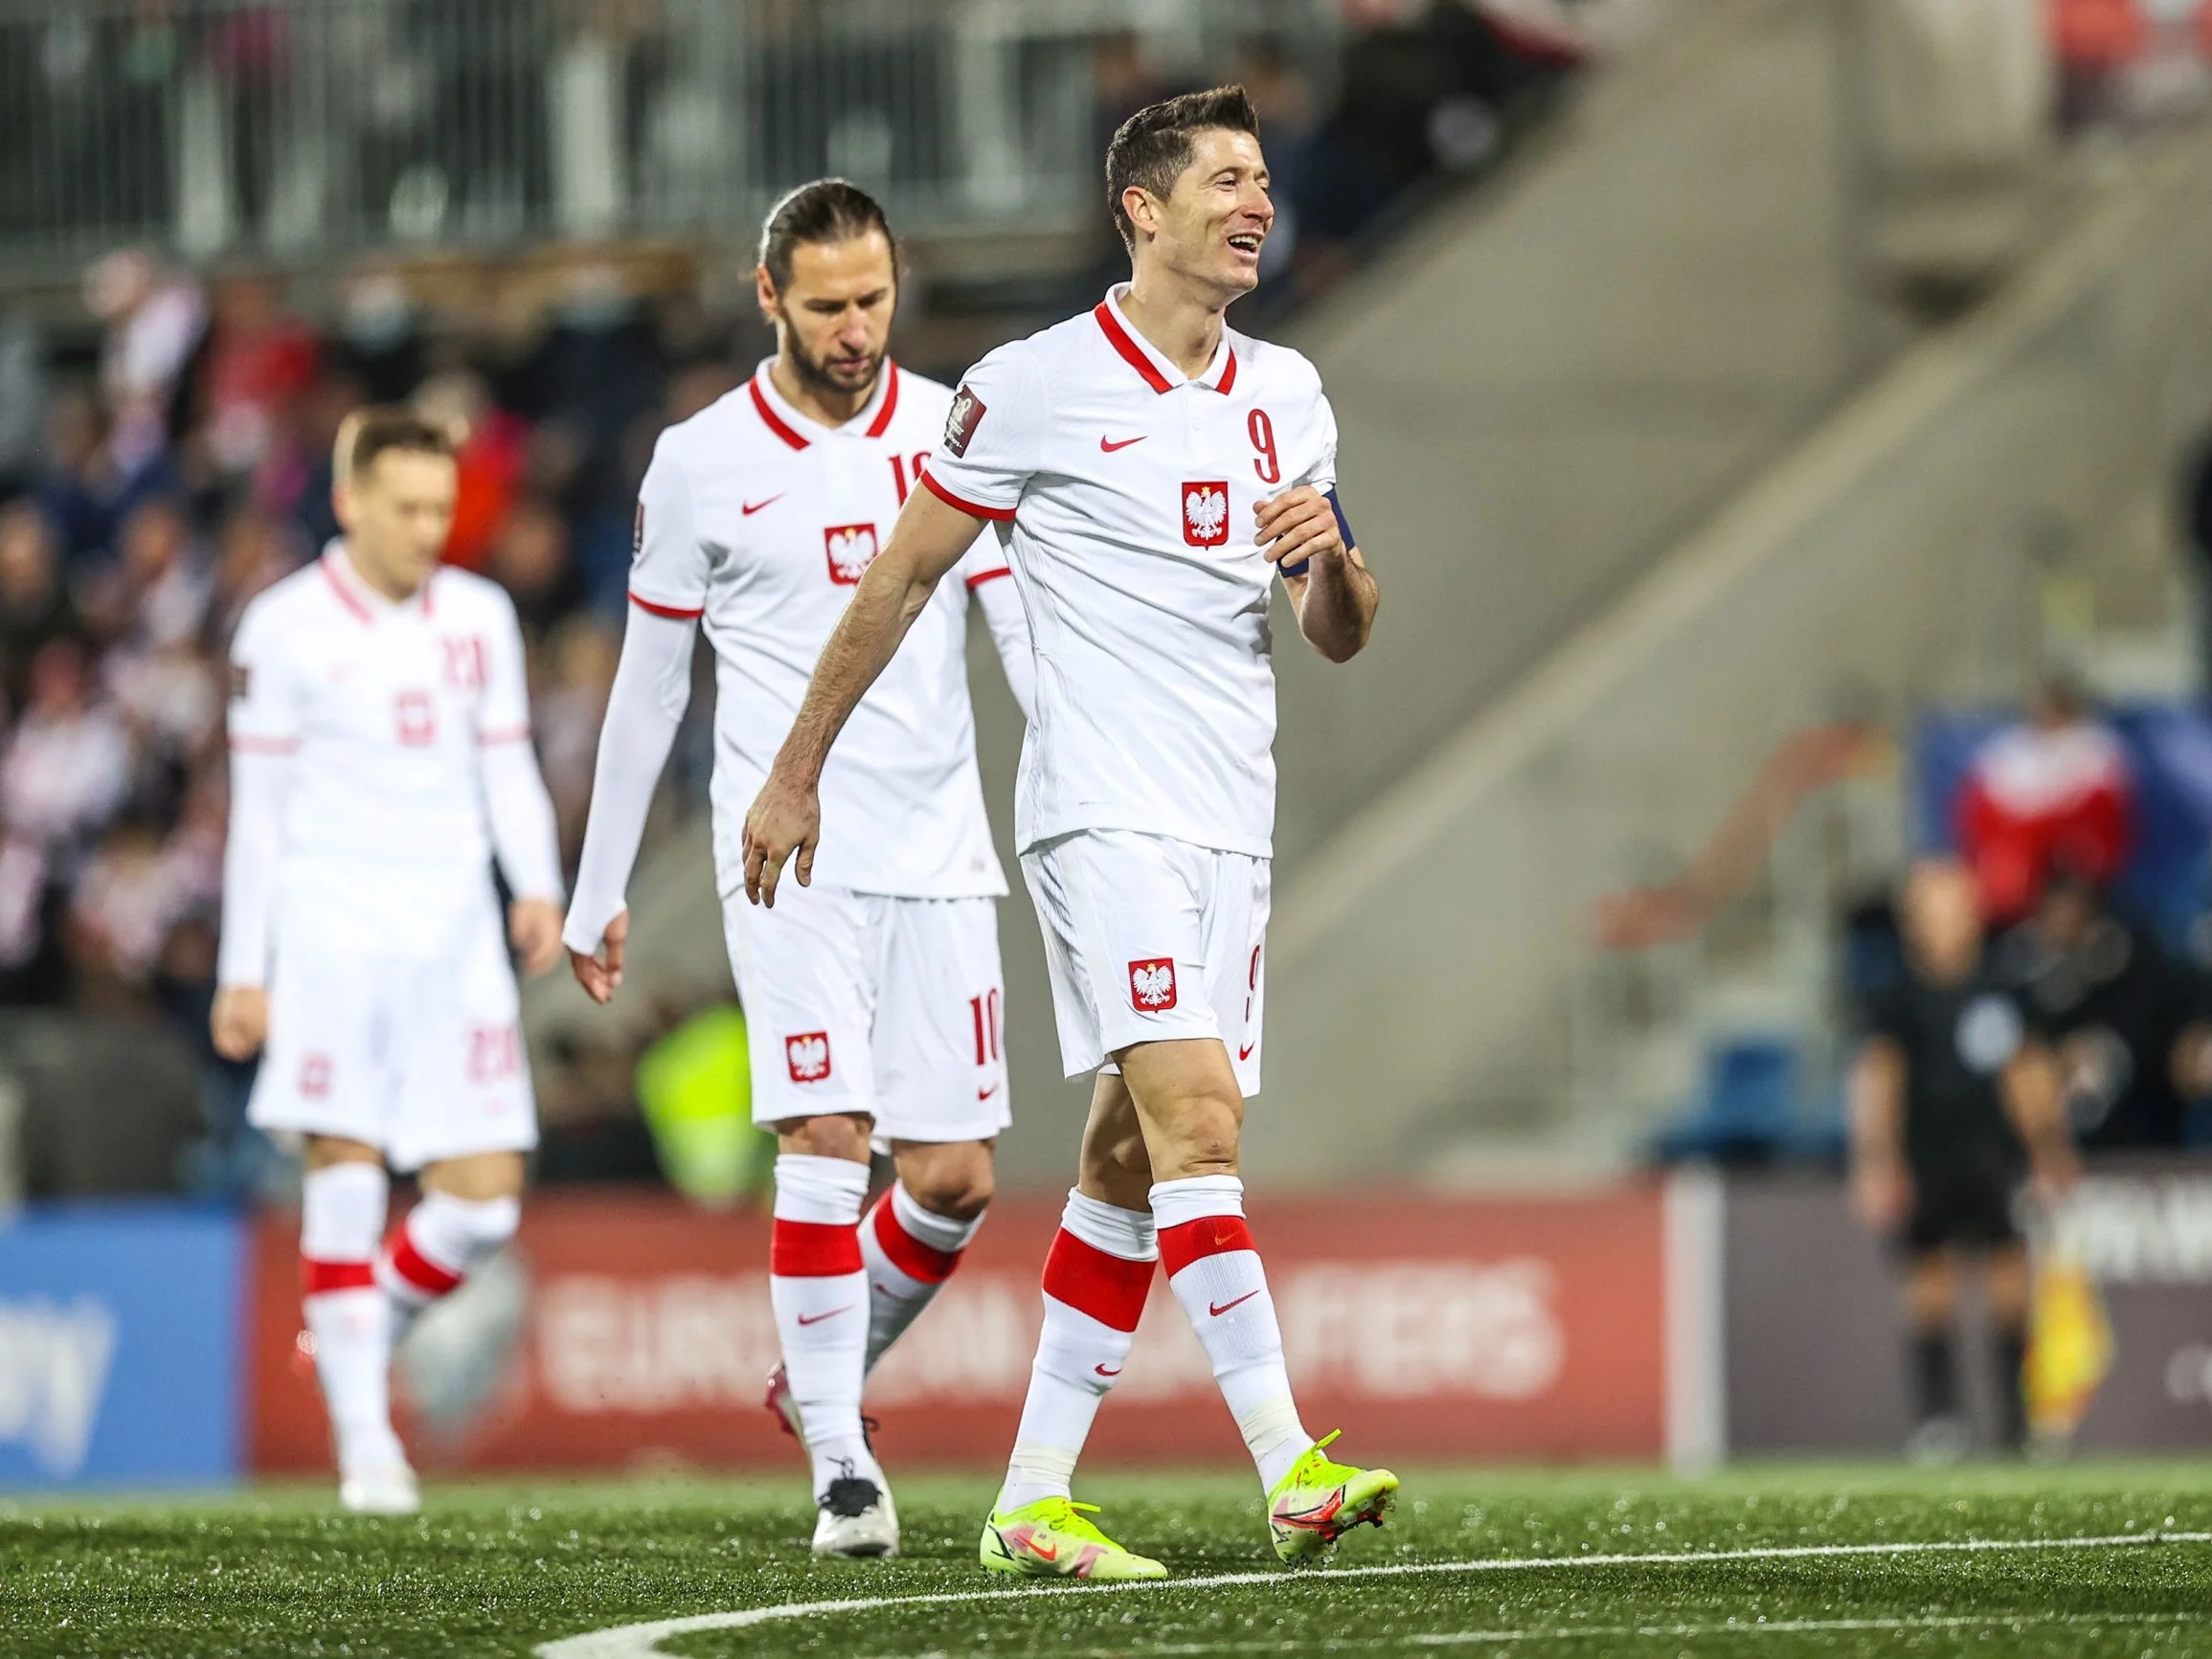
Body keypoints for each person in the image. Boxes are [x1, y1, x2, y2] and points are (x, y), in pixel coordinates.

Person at [743, 88, 1388, 1580]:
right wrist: (795, 772)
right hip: (1100, 812)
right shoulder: (1031, 385)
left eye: (1264, 178)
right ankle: (1287, 1460)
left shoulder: (1287, 391)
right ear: (1140, 213)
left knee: (1121, 1161)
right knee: (1202, 1126)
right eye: (1224, 178)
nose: (1256, 201)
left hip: (1233, 818)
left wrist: (1334, 563)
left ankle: (1032, 1492)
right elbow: (902, 578)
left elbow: (1341, 631)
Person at [561, 180, 1037, 1560]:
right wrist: (601, 888)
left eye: (874, 298)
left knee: (949, 1178)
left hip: (940, 843)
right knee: (824, 1136)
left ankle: (820, 1369)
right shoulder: (698, 459)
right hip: (788, 848)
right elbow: (650, 692)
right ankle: (840, 1460)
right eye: (826, 304)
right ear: (767, 297)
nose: (855, 326)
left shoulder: (958, 430)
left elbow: (1012, 623)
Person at [213, 408, 565, 1514]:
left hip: (455, 934)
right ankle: (369, 1446)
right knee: (347, 1171)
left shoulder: (480, 615)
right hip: (330, 934)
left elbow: (507, 766)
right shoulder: (281, 628)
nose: (428, 529)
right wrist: (244, 966)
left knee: (484, 1204)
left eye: (440, 508)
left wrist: (538, 885)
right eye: (407, 507)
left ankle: (359, 1317)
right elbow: (258, 816)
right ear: (350, 500)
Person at [1849, 860, 2078, 1460]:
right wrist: (1877, 1158)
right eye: (1931, 907)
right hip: (1928, 1153)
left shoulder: (2003, 989)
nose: (1945, 918)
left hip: (1992, 1151)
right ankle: (1939, 1422)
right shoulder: (1895, 996)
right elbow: (1882, 1076)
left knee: (2009, 1283)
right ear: (1913, 922)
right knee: (1930, 1286)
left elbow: (2024, 1073)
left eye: (1953, 903)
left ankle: (2018, 1426)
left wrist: (2048, 1148)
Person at [1997, 870, 2212, 1151]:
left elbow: (2178, 1051)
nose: (2065, 917)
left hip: (2144, 1140)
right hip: (2050, 1150)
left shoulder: (2136, 965)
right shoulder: (2015, 975)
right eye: (2056, 905)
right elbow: (2016, 1060)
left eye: (2078, 905)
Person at [1954, 675, 2133, 929]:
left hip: (2074, 868)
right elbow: (1979, 814)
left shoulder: (2098, 751)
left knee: (2074, 866)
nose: (2048, 714)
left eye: (2057, 707)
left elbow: (2106, 820)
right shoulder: (2006, 752)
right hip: (2019, 865)